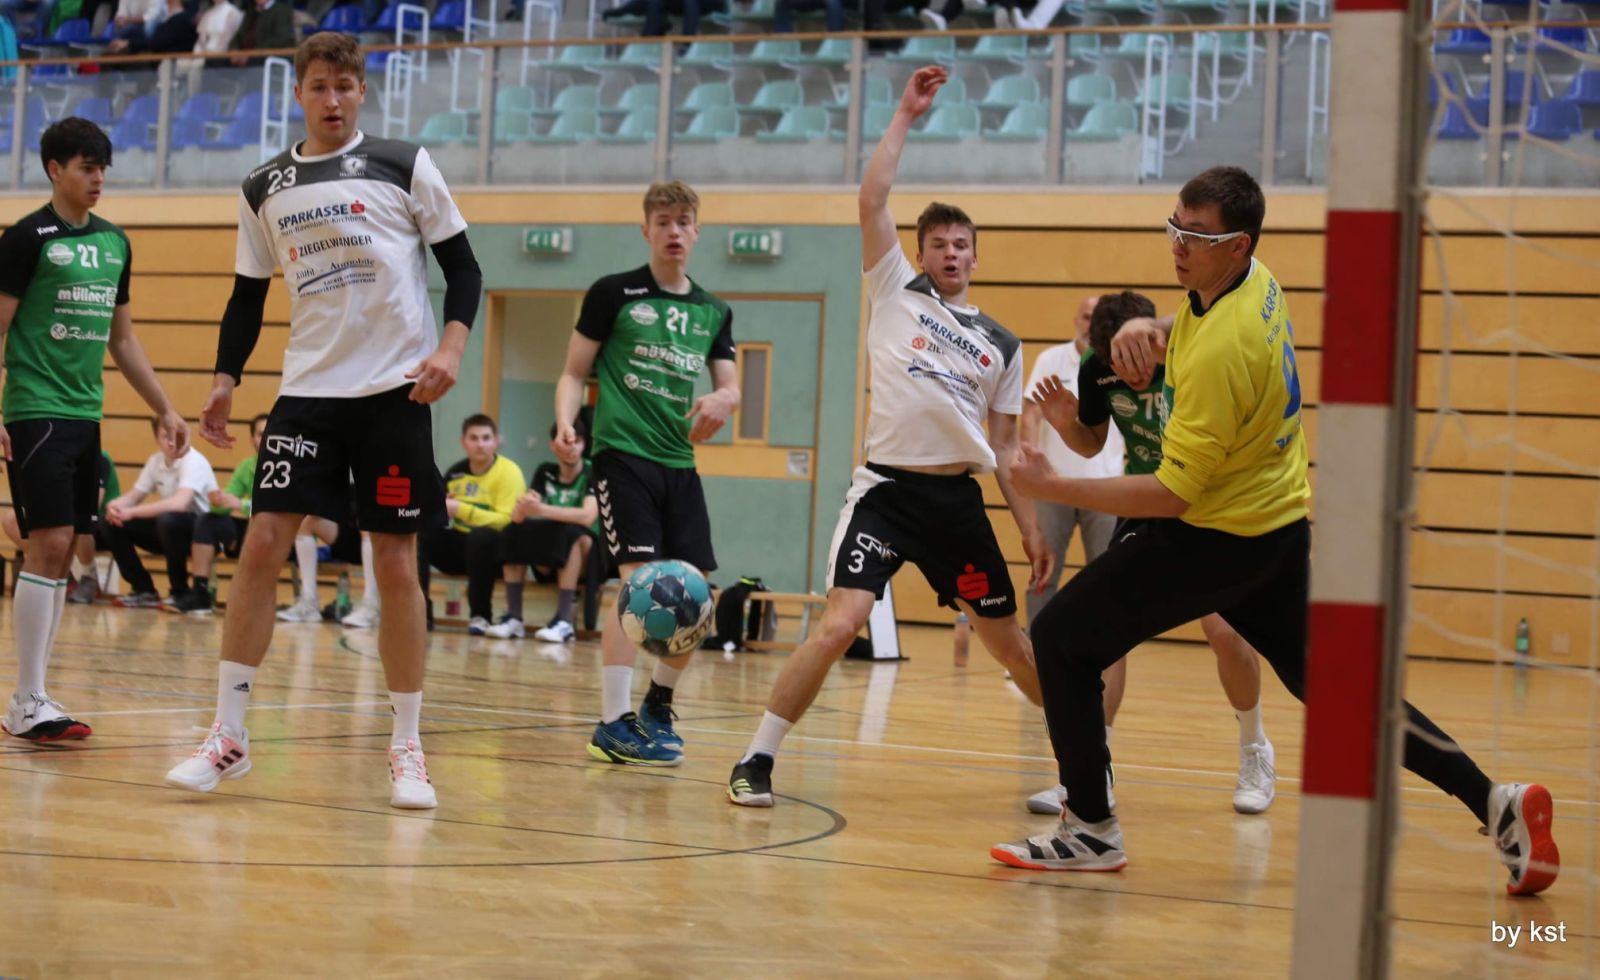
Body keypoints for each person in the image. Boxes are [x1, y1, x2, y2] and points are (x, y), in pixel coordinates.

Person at [989, 167, 1559, 899]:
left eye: (1198, 235)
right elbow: (1191, 326)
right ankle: (1496, 802)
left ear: (1239, 243)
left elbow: (1171, 495)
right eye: (1175, 226)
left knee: (1063, 635)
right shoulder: (1256, 284)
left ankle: (1091, 830)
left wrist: (1051, 485)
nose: (1179, 244)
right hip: (1277, 528)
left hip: (1213, 537)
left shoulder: (1224, 351)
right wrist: (1148, 328)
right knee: (1337, 690)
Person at [163, 32, 482, 810]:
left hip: (396, 393)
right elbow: (247, 297)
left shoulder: (405, 164)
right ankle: (229, 733)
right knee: (261, 543)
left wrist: (450, 347)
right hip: (307, 393)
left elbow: (464, 269)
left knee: (395, 563)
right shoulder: (263, 185)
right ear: (299, 93)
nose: (332, 99)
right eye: (319, 86)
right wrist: (225, 381)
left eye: (344, 85)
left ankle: (407, 745)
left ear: (362, 92)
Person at [727, 66, 1051, 808]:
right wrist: (905, 112)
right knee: (840, 623)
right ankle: (756, 758)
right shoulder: (893, 287)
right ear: (921, 252)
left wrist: (1030, 527)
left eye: (961, 244)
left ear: (975, 256)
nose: (950, 253)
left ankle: (1085, 768)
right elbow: (872, 198)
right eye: (938, 243)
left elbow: (1006, 451)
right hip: (885, 494)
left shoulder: (1002, 344)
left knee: (1009, 645)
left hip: (956, 506)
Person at [1024, 289, 1277, 817]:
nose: (1131, 373)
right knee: (1102, 636)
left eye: (1137, 357)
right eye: (1118, 363)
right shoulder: (1096, 369)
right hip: (1147, 503)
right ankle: (1093, 774)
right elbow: (1093, 442)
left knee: (1224, 633)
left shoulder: (1195, 360)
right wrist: (1066, 423)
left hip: (1213, 507)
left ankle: (1254, 748)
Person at [0, 117, 190, 741]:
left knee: (63, 553)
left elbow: (123, 339)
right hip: (35, 409)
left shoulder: (115, 243)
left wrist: (164, 408)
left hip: (87, 415)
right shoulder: (26, 239)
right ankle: (26, 697)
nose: (98, 178)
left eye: (103, 168)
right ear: (55, 170)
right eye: (86, 167)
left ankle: (34, 695)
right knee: (49, 543)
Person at [554, 179, 739, 767]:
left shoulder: (713, 310)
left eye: (683, 221)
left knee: (699, 594)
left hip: (679, 464)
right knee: (639, 587)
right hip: (622, 457)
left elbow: (731, 385)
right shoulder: (614, 293)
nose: (674, 231)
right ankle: (612, 722)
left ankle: (658, 703)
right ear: (646, 230)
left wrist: (724, 399)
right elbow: (573, 372)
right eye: (663, 222)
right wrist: (567, 424)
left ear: (697, 231)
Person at [485, 418, 599, 642]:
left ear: (584, 444)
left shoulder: (593, 471)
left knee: (573, 535)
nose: (572, 448)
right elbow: (521, 514)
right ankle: (514, 618)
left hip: (590, 554)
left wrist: (541, 509)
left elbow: (587, 517)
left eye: (577, 441)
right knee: (513, 530)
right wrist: (522, 507)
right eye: (566, 442)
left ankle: (564, 621)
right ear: (553, 445)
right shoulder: (545, 471)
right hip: (553, 550)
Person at [418, 413, 525, 634]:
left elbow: (507, 520)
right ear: (463, 442)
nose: (480, 444)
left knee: (480, 536)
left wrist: (461, 509)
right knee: (420, 535)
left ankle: (481, 616)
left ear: (496, 441)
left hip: (497, 551)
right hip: (461, 548)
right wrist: (441, 510)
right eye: (474, 438)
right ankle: (420, 612)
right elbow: (439, 515)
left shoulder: (510, 472)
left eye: (486, 438)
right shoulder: (455, 473)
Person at [103, 416, 219, 611]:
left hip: (201, 536)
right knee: (111, 522)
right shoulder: (156, 461)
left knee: (169, 520)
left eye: (177, 436)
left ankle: (179, 591)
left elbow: (179, 504)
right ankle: (143, 588)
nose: (172, 442)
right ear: (156, 438)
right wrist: (115, 506)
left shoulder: (193, 461)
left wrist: (131, 512)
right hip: (169, 533)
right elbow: (134, 496)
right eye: (166, 436)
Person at [277, 504, 379, 628]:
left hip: (378, 539)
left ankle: (371, 605)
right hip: (350, 537)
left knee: (368, 524)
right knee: (307, 523)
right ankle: (309, 602)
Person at [106, 0, 195, 56]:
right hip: (159, 54)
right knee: (117, 30)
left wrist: (128, 43)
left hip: (168, 61)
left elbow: (157, 42)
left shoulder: (181, 19)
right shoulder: (172, 19)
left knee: (149, 25)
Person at [229, 0, 294, 65]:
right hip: (244, 57)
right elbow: (238, 36)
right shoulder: (251, 10)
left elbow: (281, 38)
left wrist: (252, 53)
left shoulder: (282, 10)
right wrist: (234, 50)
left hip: (266, 58)